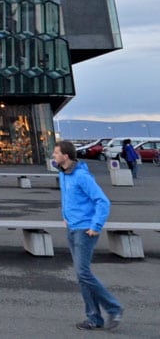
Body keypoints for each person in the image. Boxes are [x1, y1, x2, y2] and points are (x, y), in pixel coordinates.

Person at [52, 140, 123, 330]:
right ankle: (94, 317)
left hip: (85, 230)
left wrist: (96, 225)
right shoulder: (64, 174)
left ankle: (114, 308)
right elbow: (69, 198)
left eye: (56, 153)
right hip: (72, 228)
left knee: (83, 273)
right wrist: (65, 216)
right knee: (81, 275)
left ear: (65, 156)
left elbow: (102, 201)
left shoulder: (81, 176)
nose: (53, 156)